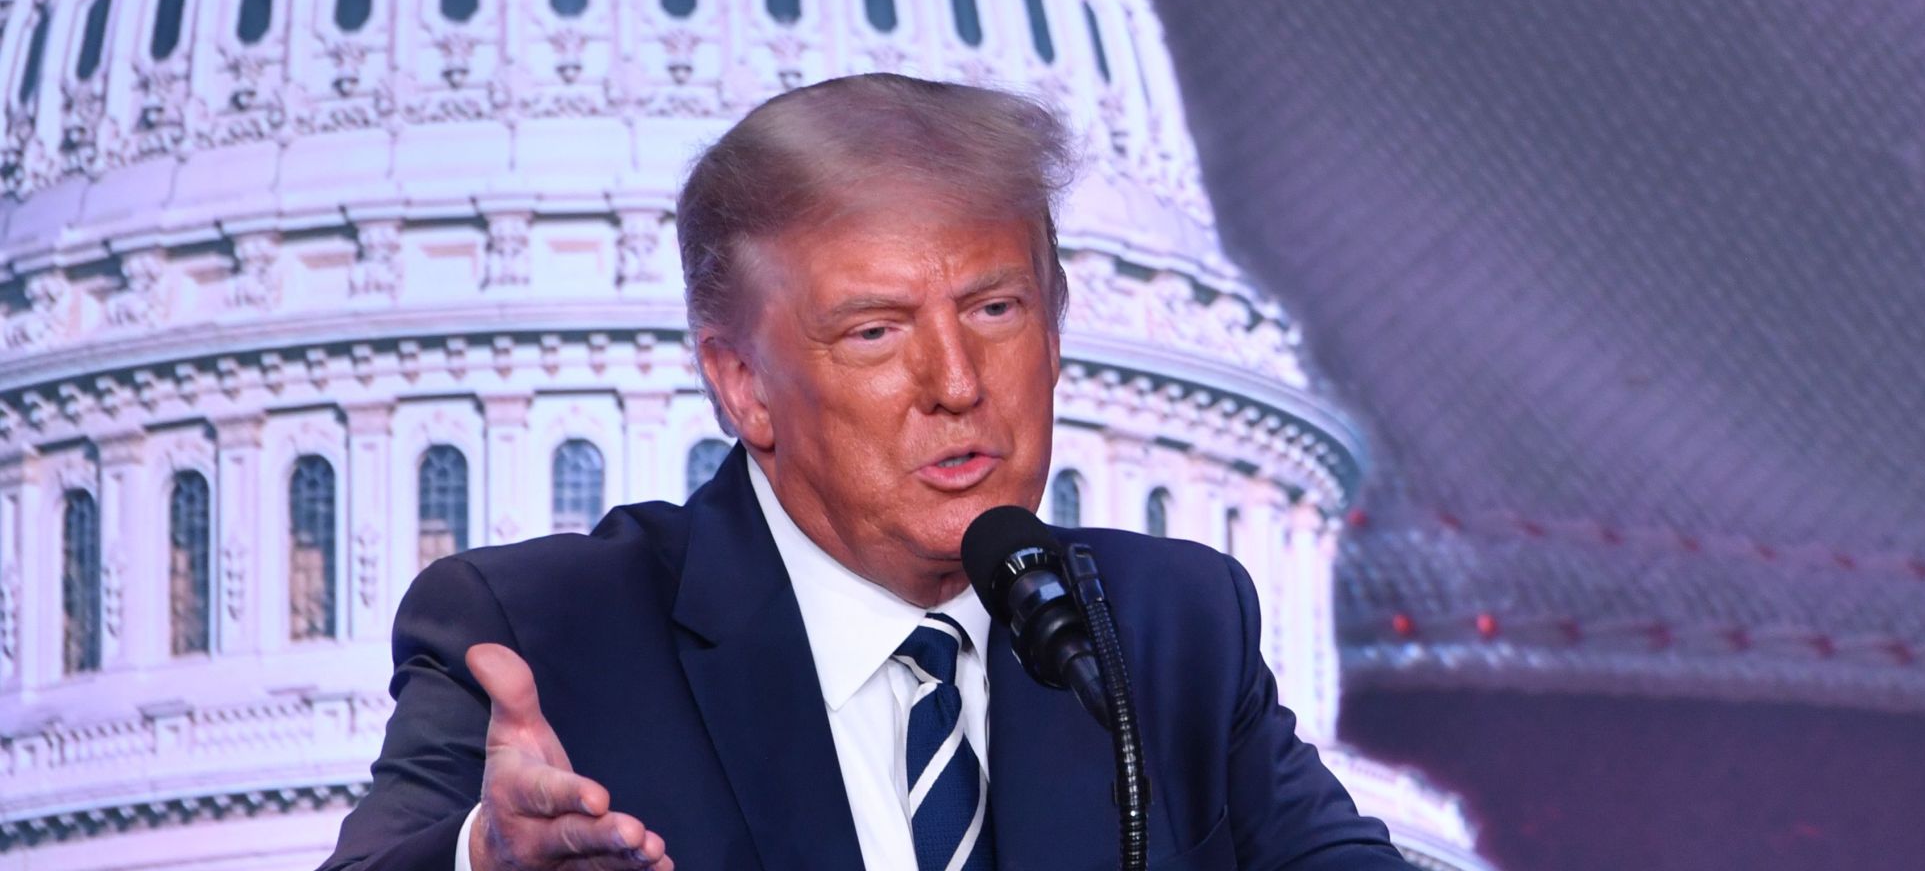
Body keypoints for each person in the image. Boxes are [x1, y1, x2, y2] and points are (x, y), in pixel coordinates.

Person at [318, 73, 1405, 871]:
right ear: (742, 387)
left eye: (994, 310)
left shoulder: (1162, 630)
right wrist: (481, 861)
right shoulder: (551, 635)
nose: (956, 382)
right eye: (877, 333)